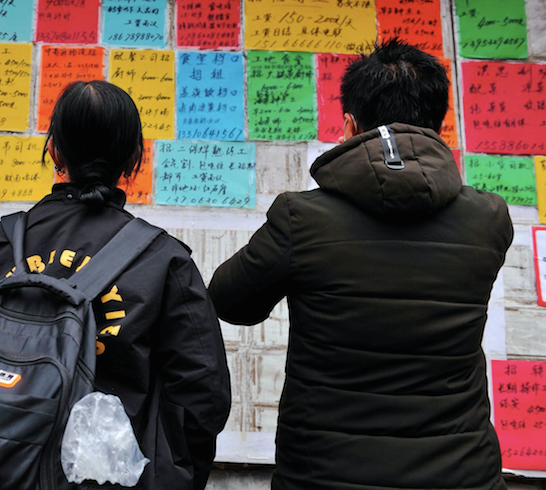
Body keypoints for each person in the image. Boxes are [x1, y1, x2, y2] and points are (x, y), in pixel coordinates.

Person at [209, 38, 513, 490]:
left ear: (350, 125)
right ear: (438, 126)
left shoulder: (302, 218)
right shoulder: (489, 219)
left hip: (328, 476)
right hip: (462, 475)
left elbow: (229, 300)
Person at [0, 81, 231, 490]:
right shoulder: (162, 260)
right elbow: (202, 396)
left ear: (53, 151)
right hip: (105, 477)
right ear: (134, 158)